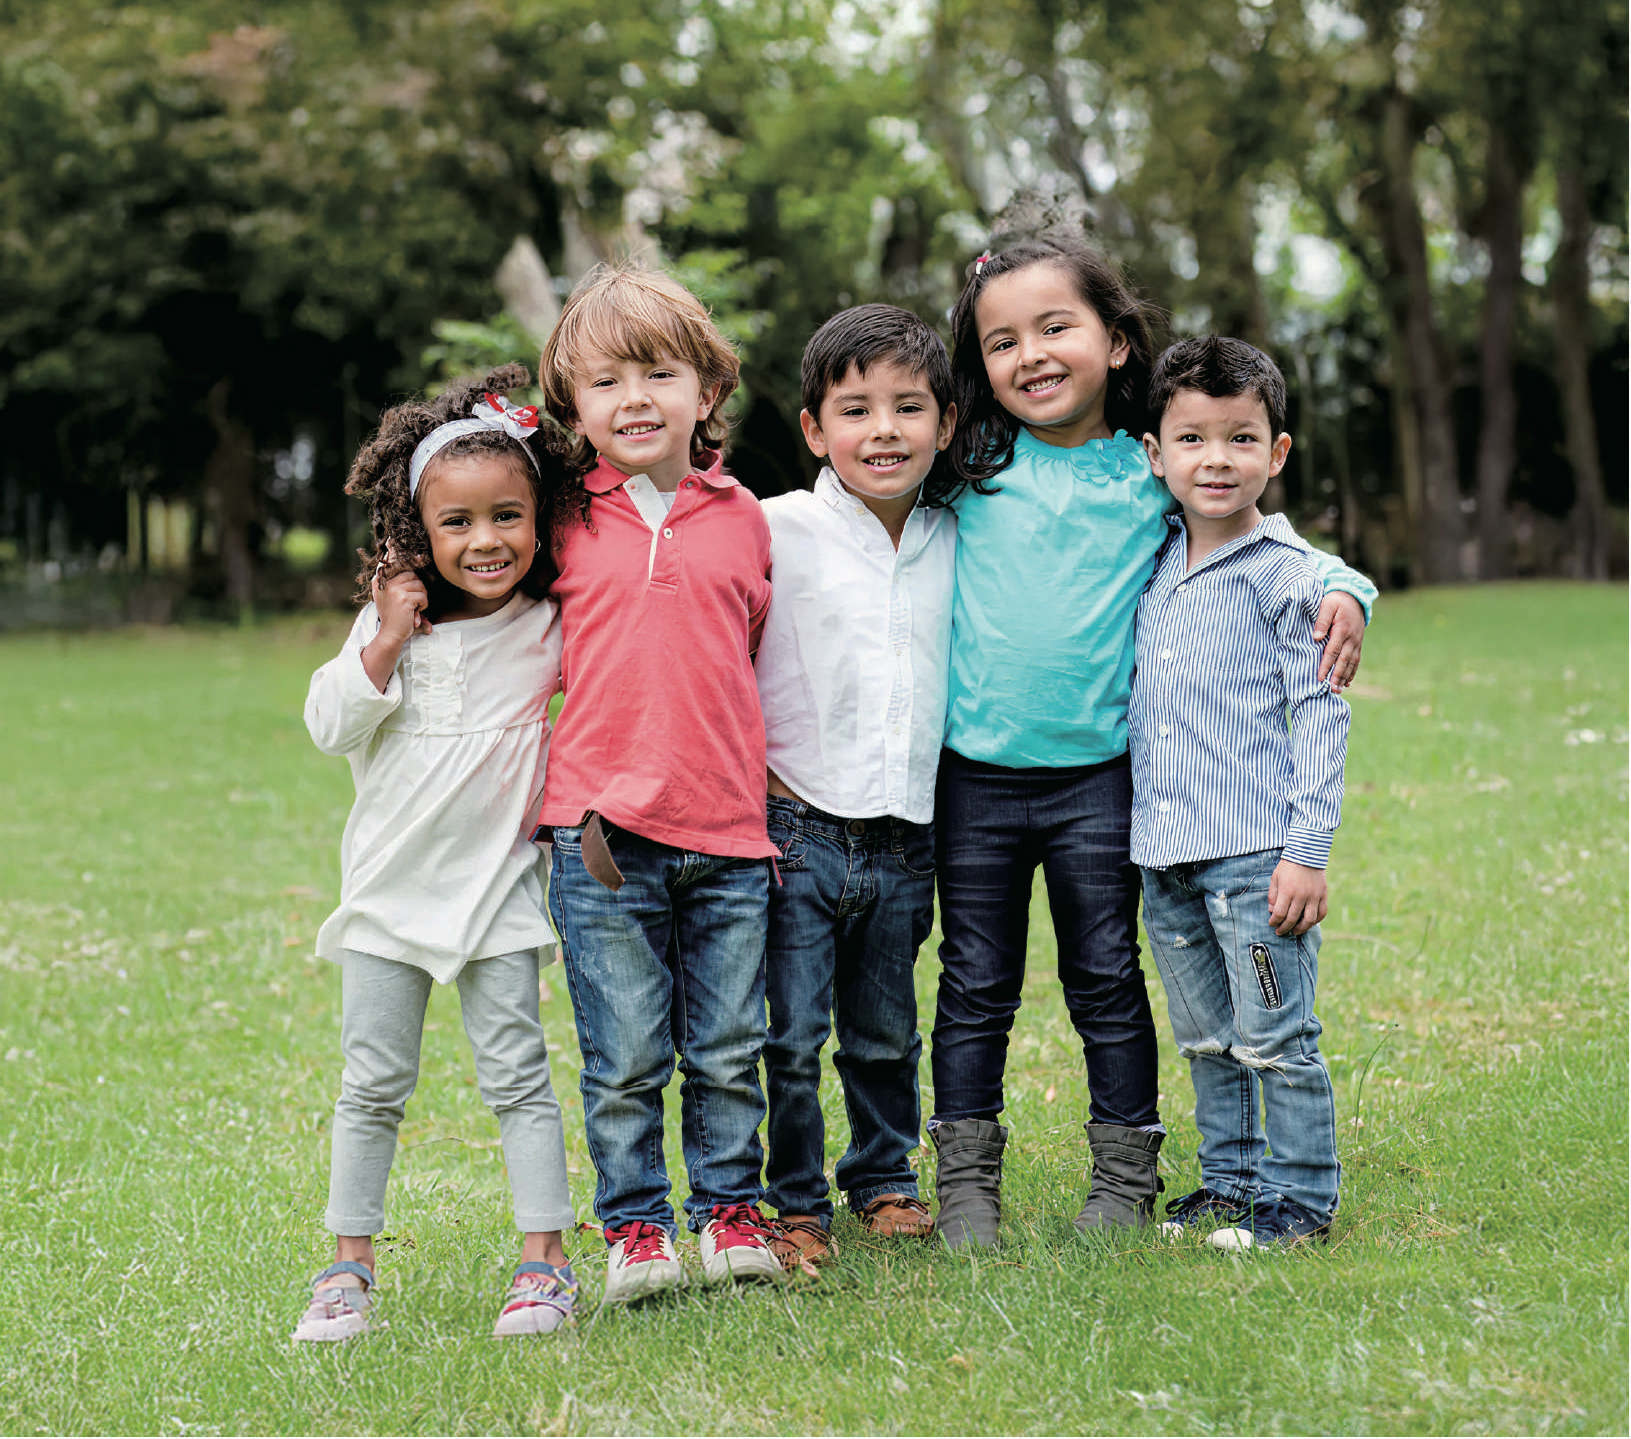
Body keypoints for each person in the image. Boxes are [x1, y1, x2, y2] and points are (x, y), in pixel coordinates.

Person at [928, 238, 1376, 1247]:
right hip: (974, 780)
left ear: (1118, 341)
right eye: (1001, 340)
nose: (1030, 354)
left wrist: (1346, 583)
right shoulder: (967, 465)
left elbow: (1265, 536)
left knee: (1104, 975)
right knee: (972, 979)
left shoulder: (1151, 469)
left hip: (1099, 779)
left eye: (1055, 327)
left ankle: (1125, 1177)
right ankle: (962, 1184)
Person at [295, 365, 578, 1342]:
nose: (485, 539)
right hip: (386, 900)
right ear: (417, 528)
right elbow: (327, 724)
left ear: (539, 519)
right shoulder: (389, 628)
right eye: (456, 522)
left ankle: (543, 1262)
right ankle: (346, 1265)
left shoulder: (546, 626)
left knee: (517, 1076)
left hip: (497, 894)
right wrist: (380, 642)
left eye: (507, 515)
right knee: (370, 1081)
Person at [534, 264, 781, 1302]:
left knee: (729, 1044)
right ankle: (635, 1227)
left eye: (657, 372)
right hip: (599, 834)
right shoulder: (557, 520)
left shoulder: (743, 516)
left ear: (706, 389)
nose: (633, 398)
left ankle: (727, 1209)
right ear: (573, 408)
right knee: (625, 1049)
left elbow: (755, 649)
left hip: (727, 828)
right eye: (604, 383)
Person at [1133, 336, 1348, 1250]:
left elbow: (1323, 717)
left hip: (1253, 856)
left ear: (1278, 451)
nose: (1214, 460)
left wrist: (1306, 852)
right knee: (1206, 1037)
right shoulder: (1146, 558)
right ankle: (1227, 1180)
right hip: (1164, 857)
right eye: (1191, 438)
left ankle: (1298, 1200)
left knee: (1274, 1035)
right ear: (1155, 453)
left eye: (1239, 438)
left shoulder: (1290, 577)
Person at [754, 304, 958, 1269]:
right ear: (813, 428)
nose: (883, 429)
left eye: (908, 407)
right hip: (793, 821)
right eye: (856, 408)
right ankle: (791, 1200)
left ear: (945, 424)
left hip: (906, 830)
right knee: (787, 1034)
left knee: (884, 1028)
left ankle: (882, 1177)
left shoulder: (958, 537)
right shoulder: (772, 529)